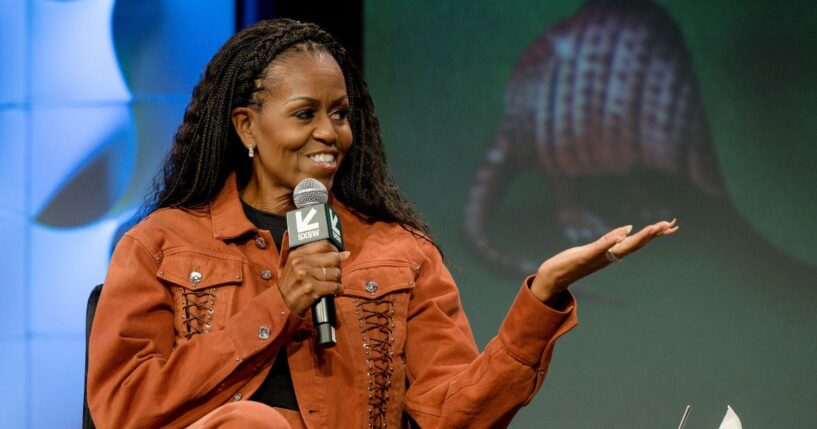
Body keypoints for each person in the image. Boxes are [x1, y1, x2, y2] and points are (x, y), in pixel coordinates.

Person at [87, 19, 678, 429]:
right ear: (246, 126)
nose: (330, 133)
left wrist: (542, 297)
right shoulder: (161, 243)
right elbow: (122, 408)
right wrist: (276, 307)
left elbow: (453, 416)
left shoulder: (398, 254)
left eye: (340, 114)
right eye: (304, 113)